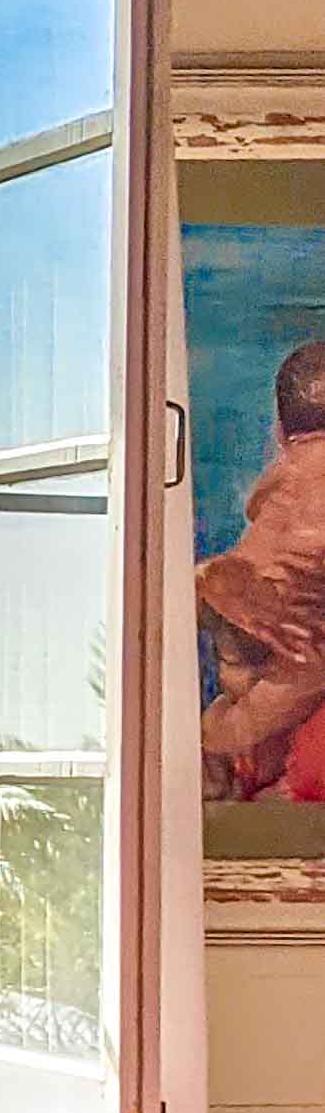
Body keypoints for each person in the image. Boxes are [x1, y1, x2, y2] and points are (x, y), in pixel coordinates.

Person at [197, 340, 325, 799]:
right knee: (273, 701)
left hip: (232, 597)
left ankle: (219, 758)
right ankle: (214, 745)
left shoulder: (285, 469)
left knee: (246, 693)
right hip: (283, 620)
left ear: (279, 429)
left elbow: (259, 509)